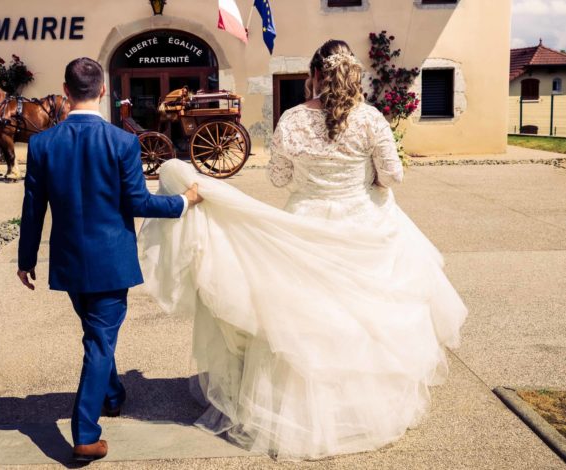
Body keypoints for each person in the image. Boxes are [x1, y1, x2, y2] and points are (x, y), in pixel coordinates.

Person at [139, 40, 467, 460]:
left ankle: (293, 406)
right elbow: (392, 175)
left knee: (307, 315)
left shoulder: (292, 119)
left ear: (314, 76)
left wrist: (312, 181)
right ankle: (361, 406)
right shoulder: (370, 119)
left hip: (307, 219)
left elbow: (278, 178)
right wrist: (369, 182)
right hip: (365, 222)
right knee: (366, 315)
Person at [16, 57, 202, 462]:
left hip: (67, 260)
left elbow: (33, 208)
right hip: (110, 261)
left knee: (98, 334)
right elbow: (138, 202)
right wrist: (183, 203)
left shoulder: (42, 143)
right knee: (99, 341)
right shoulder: (122, 142)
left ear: (65, 92)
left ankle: (113, 394)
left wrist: (26, 259)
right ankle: (84, 432)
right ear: (103, 91)